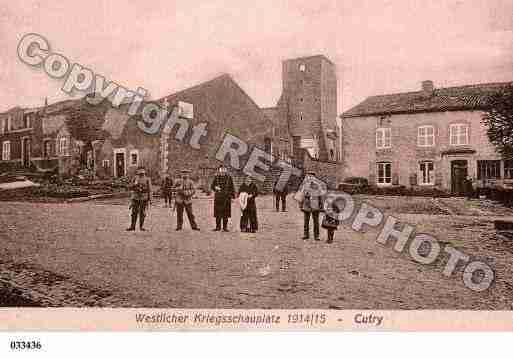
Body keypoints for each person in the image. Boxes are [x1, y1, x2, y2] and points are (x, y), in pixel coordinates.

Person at [297, 171, 323, 241]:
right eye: (309, 176)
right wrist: (300, 204)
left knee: (316, 221)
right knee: (306, 221)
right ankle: (306, 234)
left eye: (312, 176)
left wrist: (321, 205)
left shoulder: (318, 185)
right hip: (306, 205)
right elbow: (301, 195)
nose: (310, 178)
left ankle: (316, 236)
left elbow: (320, 196)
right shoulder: (304, 185)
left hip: (315, 205)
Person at [211, 166, 235, 232]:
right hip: (218, 198)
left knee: (226, 214)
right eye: (221, 169)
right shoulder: (216, 178)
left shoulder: (229, 178)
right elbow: (212, 186)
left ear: (226, 170)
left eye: (224, 169)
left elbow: (232, 187)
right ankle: (217, 227)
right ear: (219, 170)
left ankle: (225, 227)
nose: (222, 171)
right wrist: (216, 187)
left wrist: (232, 197)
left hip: (227, 197)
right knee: (218, 213)